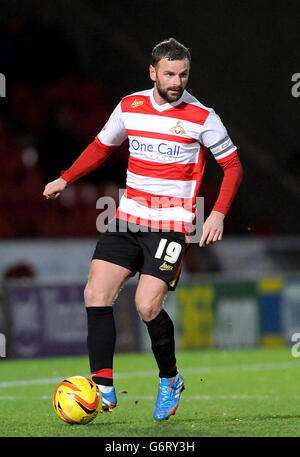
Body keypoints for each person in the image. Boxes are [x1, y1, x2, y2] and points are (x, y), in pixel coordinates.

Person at [43, 38, 243, 421]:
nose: (176, 81)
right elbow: (102, 146)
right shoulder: (130, 106)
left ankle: (170, 378)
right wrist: (66, 178)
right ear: (153, 72)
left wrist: (216, 213)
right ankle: (101, 385)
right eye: (169, 73)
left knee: (146, 305)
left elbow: (233, 167)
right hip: (128, 218)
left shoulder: (203, 116)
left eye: (183, 74)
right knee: (95, 293)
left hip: (171, 226)